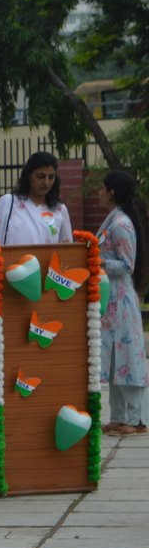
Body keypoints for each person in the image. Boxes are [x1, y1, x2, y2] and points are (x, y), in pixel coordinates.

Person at [98, 171, 147, 435]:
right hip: (111, 301)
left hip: (121, 302)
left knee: (127, 358)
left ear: (112, 193)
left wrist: (99, 262)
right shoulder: (113, 219)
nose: (99, 193)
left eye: (103, 188)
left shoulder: (120, 224)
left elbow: (127, 265)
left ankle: (136, 419)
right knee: (114, 361)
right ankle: (118, 416)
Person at [0, 151, 72, 248]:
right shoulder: (8, 203)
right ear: (29, 176)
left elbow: (67, 250)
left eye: (51, 177)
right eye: (40, 176)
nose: (46, 182)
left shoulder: (59, 209)